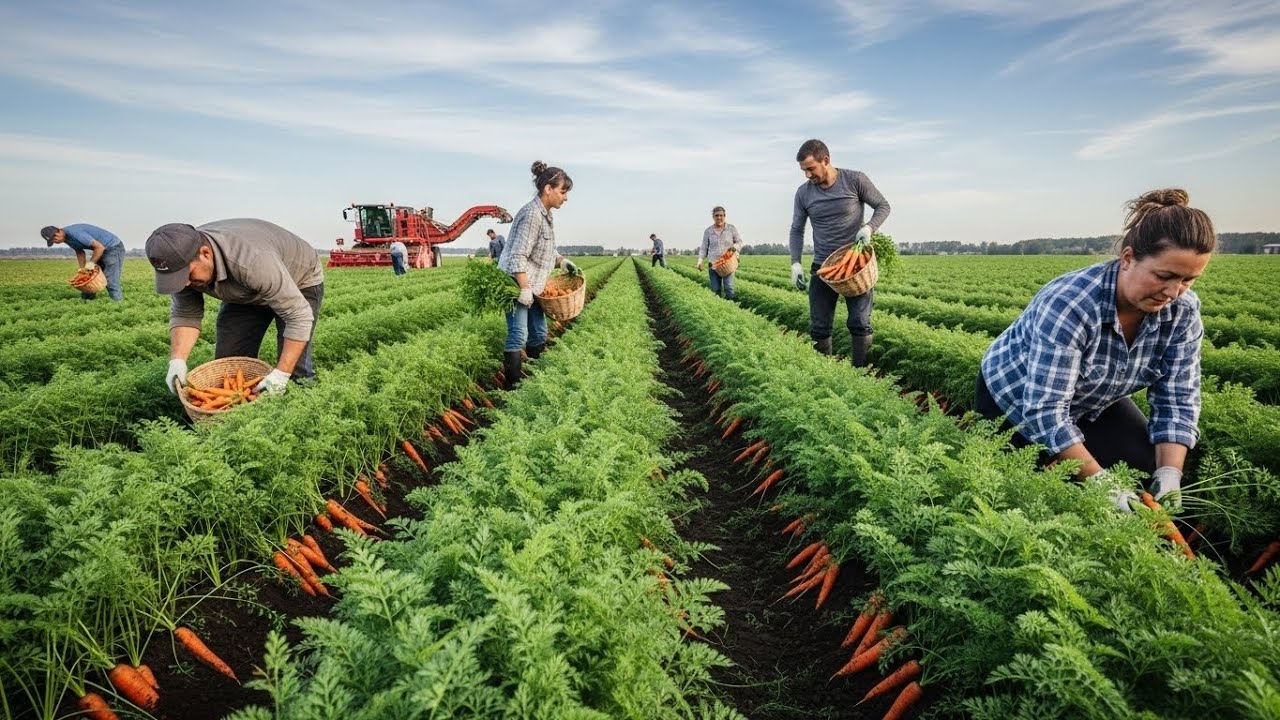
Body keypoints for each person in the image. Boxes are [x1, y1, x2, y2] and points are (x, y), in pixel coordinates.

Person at [976, 189, 1215, 513]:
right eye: (1164, 276)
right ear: (1128, 258)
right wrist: (1102, 485)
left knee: (1145, 469)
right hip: (1015, 398)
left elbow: (1178, 398)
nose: (1173, 292)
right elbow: (1044, 412)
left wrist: (1169, 472)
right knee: (1029, 500)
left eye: (1188, 279)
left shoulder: (1183, 312)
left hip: (1095, 398)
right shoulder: (1070, 304)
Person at [145, 219, 325, 397]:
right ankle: (240, 413)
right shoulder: (181, 265)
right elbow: (185, 313)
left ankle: (302, 403)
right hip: (245, 290)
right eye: (177, 278)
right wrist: (177, 360)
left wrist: (281, 373)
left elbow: (298, 317)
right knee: (229, 366)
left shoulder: (251, 260)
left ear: (205, 253)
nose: (185, 283)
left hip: (298, 279)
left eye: (188, 274)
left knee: (295, 371)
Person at [789, 139, 890, 366]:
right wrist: (795, 262)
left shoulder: (855, 180)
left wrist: (869, 228)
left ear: (825, 160)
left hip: (855, 266)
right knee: (819, 327)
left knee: (859, 322)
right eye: (803, 170)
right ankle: (825, 374)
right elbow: (796, 229)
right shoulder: (803, 194)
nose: (807, 175)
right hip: (823, 269)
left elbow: (883, 206)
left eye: (810, 169)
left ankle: (861, 375)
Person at [496, 160, 581, 390]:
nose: (565, 197)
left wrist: (561, 261)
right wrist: (523, 288)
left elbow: (543, 249)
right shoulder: (531, 214)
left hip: (534, 284)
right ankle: (512, 390)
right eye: (563, 192)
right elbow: (517, 254)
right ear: (548, 189)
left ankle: (535, 380)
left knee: (540, 332)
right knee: (518, 333)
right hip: (518, 282)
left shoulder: (545, 214)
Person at [41, 223, 127, 302]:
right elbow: (80, 252)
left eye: (55, 237)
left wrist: (89, 267)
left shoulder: (76, 233)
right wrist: (83, 271)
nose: (55, 240)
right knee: (88, 279)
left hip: (113, 247)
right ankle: (87, 304)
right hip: (101, 250)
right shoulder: (65, 238)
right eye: (52, 240)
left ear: (59, 231)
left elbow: (99, 248)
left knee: (111, 280)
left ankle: (119, 306)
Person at [696, 207, 743, 298]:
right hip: (713, 265)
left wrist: (733, 248)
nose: (719, 218)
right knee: (715, 290)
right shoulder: (708, 231)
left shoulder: (731, 228)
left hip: (728, 263)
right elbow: (704, 247)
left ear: (724, 216)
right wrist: (700, 260)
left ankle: (731, 308)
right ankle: (718, 309)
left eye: (721, 215)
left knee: (729, 288)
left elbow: (739, 242)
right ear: (713, 217)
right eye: (716, 215)